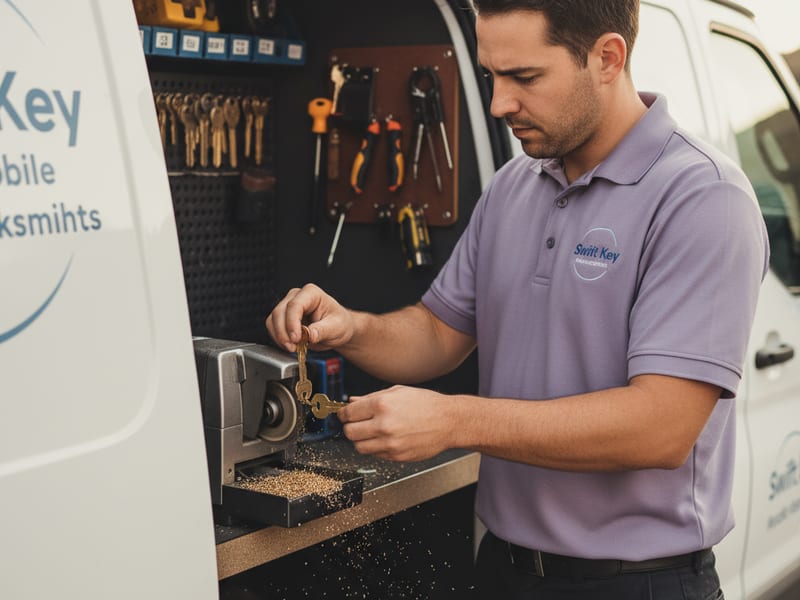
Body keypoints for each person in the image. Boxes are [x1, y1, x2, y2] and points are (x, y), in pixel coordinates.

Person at [266, 0, 770, 597]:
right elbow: (438, 333)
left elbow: (660, 428)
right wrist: (352, 328)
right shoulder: (513, 186)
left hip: (638, 584)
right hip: (503, 569)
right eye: (491, 76)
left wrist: (455, 420)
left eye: (524, 77)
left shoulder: (702, 198)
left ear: (608, 58)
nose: (498, 103)